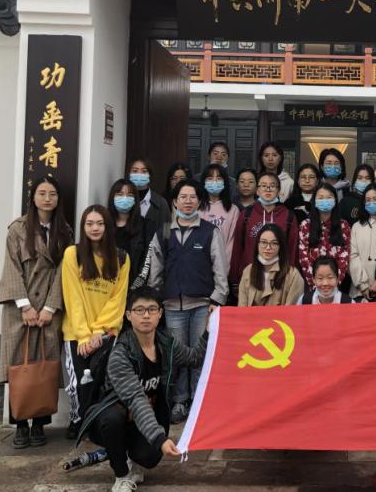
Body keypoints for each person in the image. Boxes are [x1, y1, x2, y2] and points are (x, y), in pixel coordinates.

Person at [77, 287, 206, 492]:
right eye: (139, 310)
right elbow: (136, 399)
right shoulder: (121, 354)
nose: (146, 315)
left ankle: (132, 457)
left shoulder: (166, 344)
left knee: (149, 458)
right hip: (112, 418)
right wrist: (159, 438)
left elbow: (194, 358)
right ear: (128, 315)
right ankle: (121, 478)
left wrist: (210, 330)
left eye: (151, 309)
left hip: (143, 419)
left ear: (160, 313)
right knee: (113, 419)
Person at [0, 175, 73, 448]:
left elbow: (64, 272)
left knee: (45, 364)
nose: (47, 198)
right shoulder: (17, 229)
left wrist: (50, 307)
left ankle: (40, 423)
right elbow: (12, 267)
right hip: (20, 309)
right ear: (33, 197)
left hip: (49, 310)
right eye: (42, 193)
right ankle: (20, 424)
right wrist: (25, 305)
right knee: (18, 366)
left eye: (52, 194)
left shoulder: (64, 231)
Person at [146, 180, 227, 422]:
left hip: (203, 305)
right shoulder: (164, 231)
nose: (188, 201)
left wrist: (217, 300)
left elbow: (221, 269)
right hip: (172, 306)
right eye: (183, 196)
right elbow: (155, 268)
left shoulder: (210, 231)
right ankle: (180, 401)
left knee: (201, 356)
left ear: (200, 202)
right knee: (178, 357)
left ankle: (200, 403)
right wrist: (155, 300)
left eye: (193, 197)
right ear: (175, 201)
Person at [60, 205, 130, 436]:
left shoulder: (121, 258)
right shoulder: (73, 254)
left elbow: (118, 299)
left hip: (106, 333)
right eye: (89, 224)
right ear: (83, 227)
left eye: (100, 223)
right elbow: (72, 297)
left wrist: (99, 330)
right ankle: (78, 421)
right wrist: (84, 335)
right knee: (77, 383)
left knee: (100, 380)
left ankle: (96, 423)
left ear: (108, 226)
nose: (95, 228)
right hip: (76, 333)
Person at [228, 172, 299, 289]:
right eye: (263, 185)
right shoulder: (246, 214)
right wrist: (235, 279)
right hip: (250, 277)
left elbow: (292, 249)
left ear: (279, 191)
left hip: (279, 279)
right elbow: (237, 248)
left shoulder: (288, 216)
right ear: (257, 190)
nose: (268, 189)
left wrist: (290, 277)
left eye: (272, 186)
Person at [297, 183, 352, 288]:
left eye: (329, 197)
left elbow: (345, 257)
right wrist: (316, 284)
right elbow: (303, 258)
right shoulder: (305, 225)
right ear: (314, 201)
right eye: (321, 198)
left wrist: (334, 283)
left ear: (335, 200)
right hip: (313, 286)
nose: (325, 201)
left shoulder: (343, 225)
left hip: (336, 286)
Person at [238, 224, 305, 307]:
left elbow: (292, 311)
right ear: (257, 244)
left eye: (274, 243)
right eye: (263, 242)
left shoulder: (293, 275)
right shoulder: (248, 271)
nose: (268, 247)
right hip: (250, 316)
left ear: (280, 246)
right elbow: (242, 308)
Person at [108, 179, 153, 290]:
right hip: (106, 286)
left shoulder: (145, 225)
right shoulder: (104, 224)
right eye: (120, 194)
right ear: (112, 197)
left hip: (132, 288)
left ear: (135, 199)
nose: (125, 198)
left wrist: (135, 288)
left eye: (129, 195)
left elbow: (147, 261)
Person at [199, 163, 240, 250]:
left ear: (225, 182)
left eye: (219, 178)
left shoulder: (233, 209)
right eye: (210, 178)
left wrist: (224, 258)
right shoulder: (196, 207)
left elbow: (232, 241)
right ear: (204, 182)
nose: (214, 182)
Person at [128, 158, 169, 229]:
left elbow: (167, 231)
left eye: (144, 171)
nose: (139, 174)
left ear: (150, 175)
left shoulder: (161, 203)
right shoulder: (123, 200)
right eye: (135, 171)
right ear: (129, 175)